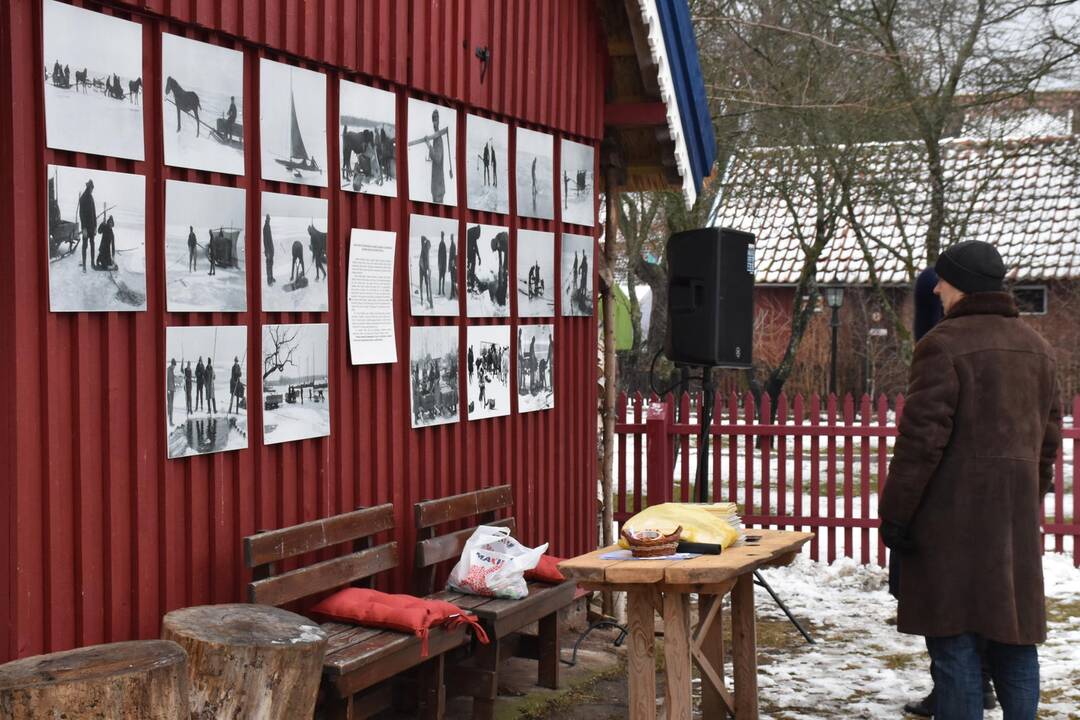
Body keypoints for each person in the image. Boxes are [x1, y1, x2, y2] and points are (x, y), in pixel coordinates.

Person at [879, 241, 1061, 720]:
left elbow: (920, 443)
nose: (935, 288)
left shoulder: (941, 344)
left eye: (941, 279)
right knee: (1014, 639)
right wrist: (1026, 501)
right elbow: (1048, 443)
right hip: (1012, 526)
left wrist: (896, 515)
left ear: (959, 284)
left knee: (955, 642)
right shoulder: (1039, 349)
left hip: (949, 525)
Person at [425, 109, 446, 203]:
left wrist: (429, 145)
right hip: (436, 187)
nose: (434, 122)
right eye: (433, 119)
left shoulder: (438, 139)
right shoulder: (436, 137)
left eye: (436, 119)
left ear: (438, 121)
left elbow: (437, 159)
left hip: (438, 188)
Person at [78, 179, 96, 272]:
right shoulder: (83, 198)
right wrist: (84, 228)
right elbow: (81, 215)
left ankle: (92, 263)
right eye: (92, 188)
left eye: (92, 188)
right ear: (89, 188)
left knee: (92, 244)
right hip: (86, 228)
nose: (92, 190)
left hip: (92, 227)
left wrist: (95, 226)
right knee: (84, 246)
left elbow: (94, 213)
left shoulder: (91, 198)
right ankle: (84, 266)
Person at [419, 235, 433, 309]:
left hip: (425, 268)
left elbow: (427, 261)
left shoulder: (426, 250)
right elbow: (421, 261)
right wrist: (425, 269)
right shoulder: (423, 249)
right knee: (421, 284)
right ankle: (421, 299)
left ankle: (427, 297)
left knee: (427, 283)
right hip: (421, 269)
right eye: (428, 247)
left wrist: (428, 269)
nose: (429, 249)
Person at [263, 214, 275, 286]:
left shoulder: (268, 226)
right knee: (268, 265)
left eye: (269, 219)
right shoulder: (265, 227)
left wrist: (272, 249)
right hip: (268, 251)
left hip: (271, 249)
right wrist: (267, 252)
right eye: (268, 219)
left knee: (271, 264)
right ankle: (269, 280)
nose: (269, 220)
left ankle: (271, 277)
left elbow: (270, 239)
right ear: (266, 219)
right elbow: (265, 241)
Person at [166, 359, 177, 426]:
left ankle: (170, 420)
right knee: (170, 406)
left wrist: (174, 388)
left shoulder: (171, 370)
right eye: (174, 365)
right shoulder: (168, 370)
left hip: (172, 389)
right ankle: (170, 421)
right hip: (169, 390)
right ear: (172, 364)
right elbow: (167, 380)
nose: (174, 367)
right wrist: (168, 390)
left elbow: (172, 379)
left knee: (171, 405)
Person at [438, 232, 447, 297]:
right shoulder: (441, 244)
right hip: (441, 264)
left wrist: (445, 265)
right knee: (440, 278)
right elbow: (439, 255)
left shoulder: (443, 244)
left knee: (443, 278)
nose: (442, 238)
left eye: (443, 236)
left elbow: (445, 256)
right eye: (441, 236)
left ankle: (442, 290)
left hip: (443, 264)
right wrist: (439, 264)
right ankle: (439, 290)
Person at [448, 233, 457, 300]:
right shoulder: (452, 245)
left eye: (451, 237)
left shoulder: (453, 245)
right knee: (452, 280)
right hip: (452, 265)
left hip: (453, 265)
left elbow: (453, 256)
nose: (451, 238)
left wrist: (452, 265)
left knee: (452, 280)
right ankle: (453, 293)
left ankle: (452, 294)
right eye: (451, 237)